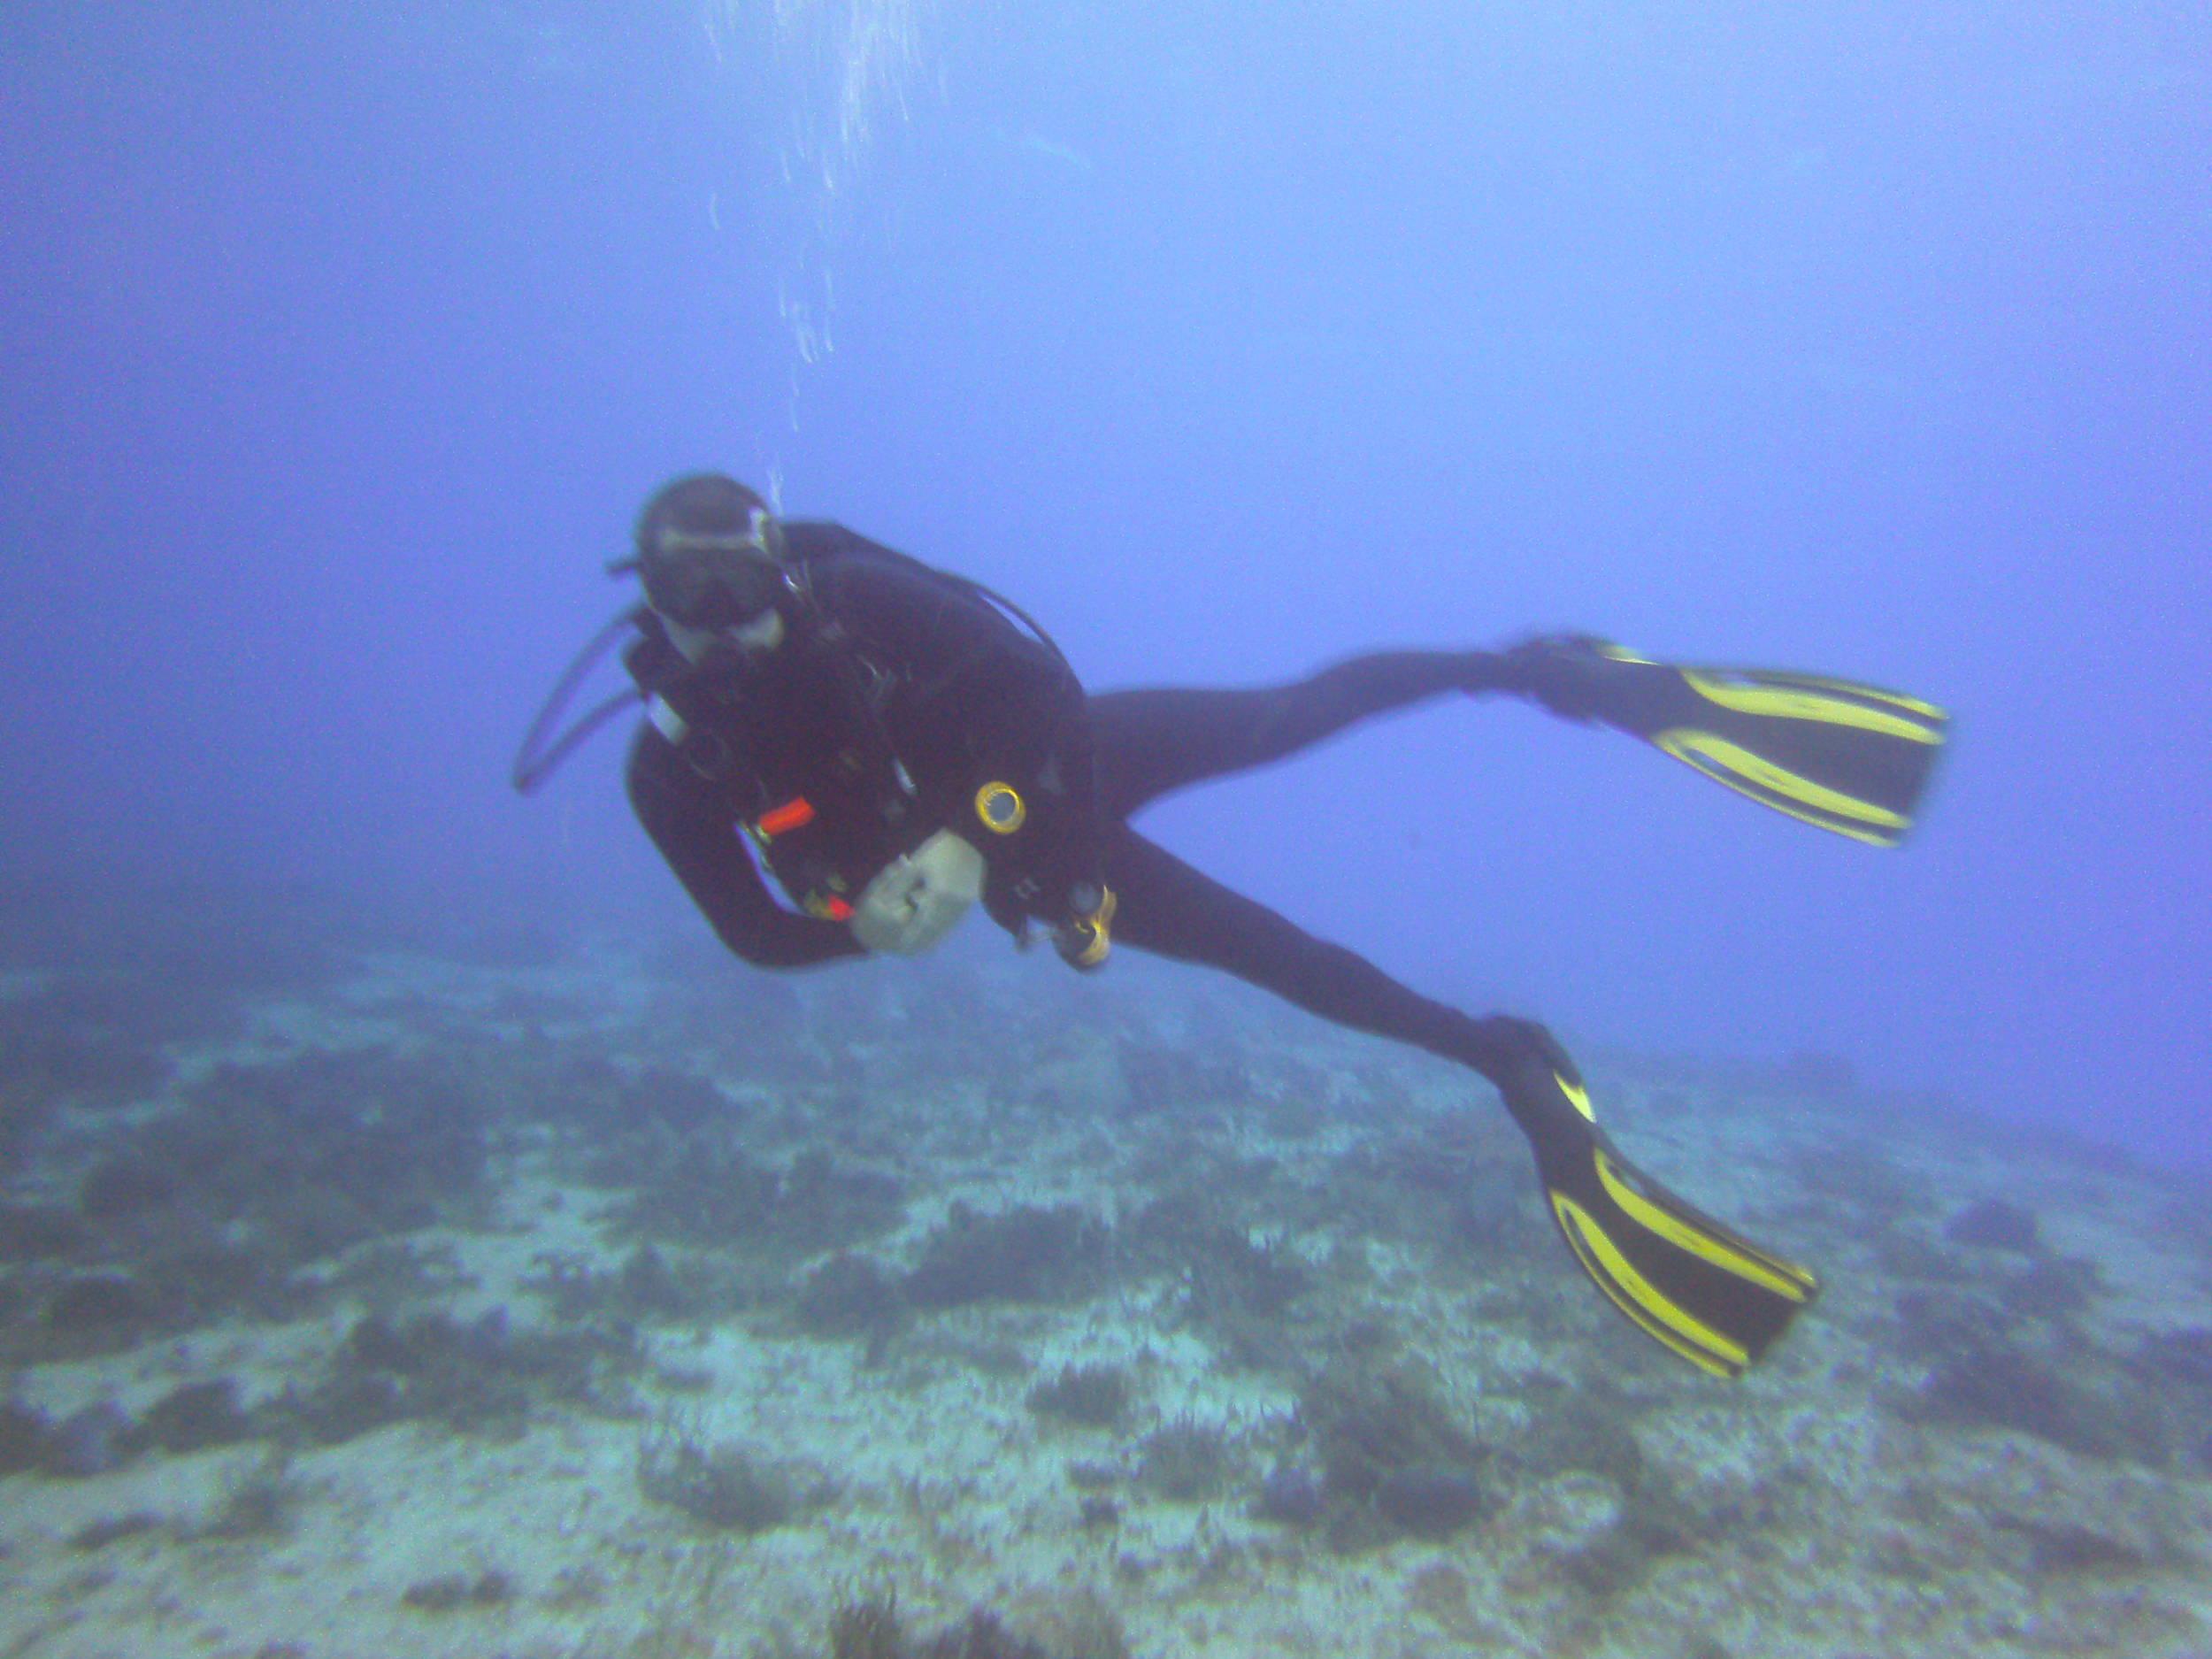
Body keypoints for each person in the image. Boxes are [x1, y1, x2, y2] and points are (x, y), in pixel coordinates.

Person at [518, 472, 1948, 1379]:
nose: (725, 625)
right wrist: (869, 932)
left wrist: (977, 832)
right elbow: (756, 937)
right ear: (647, 608)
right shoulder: (674, 770)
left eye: (744, 588)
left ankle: (1544, 673)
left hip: (1062, 772)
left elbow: (1031, 682)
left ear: (784, 574)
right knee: (1289, 966)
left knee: (1292, 711)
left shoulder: (858, 603)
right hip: (1036, 884)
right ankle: (1513, 1066)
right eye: (688, 600)